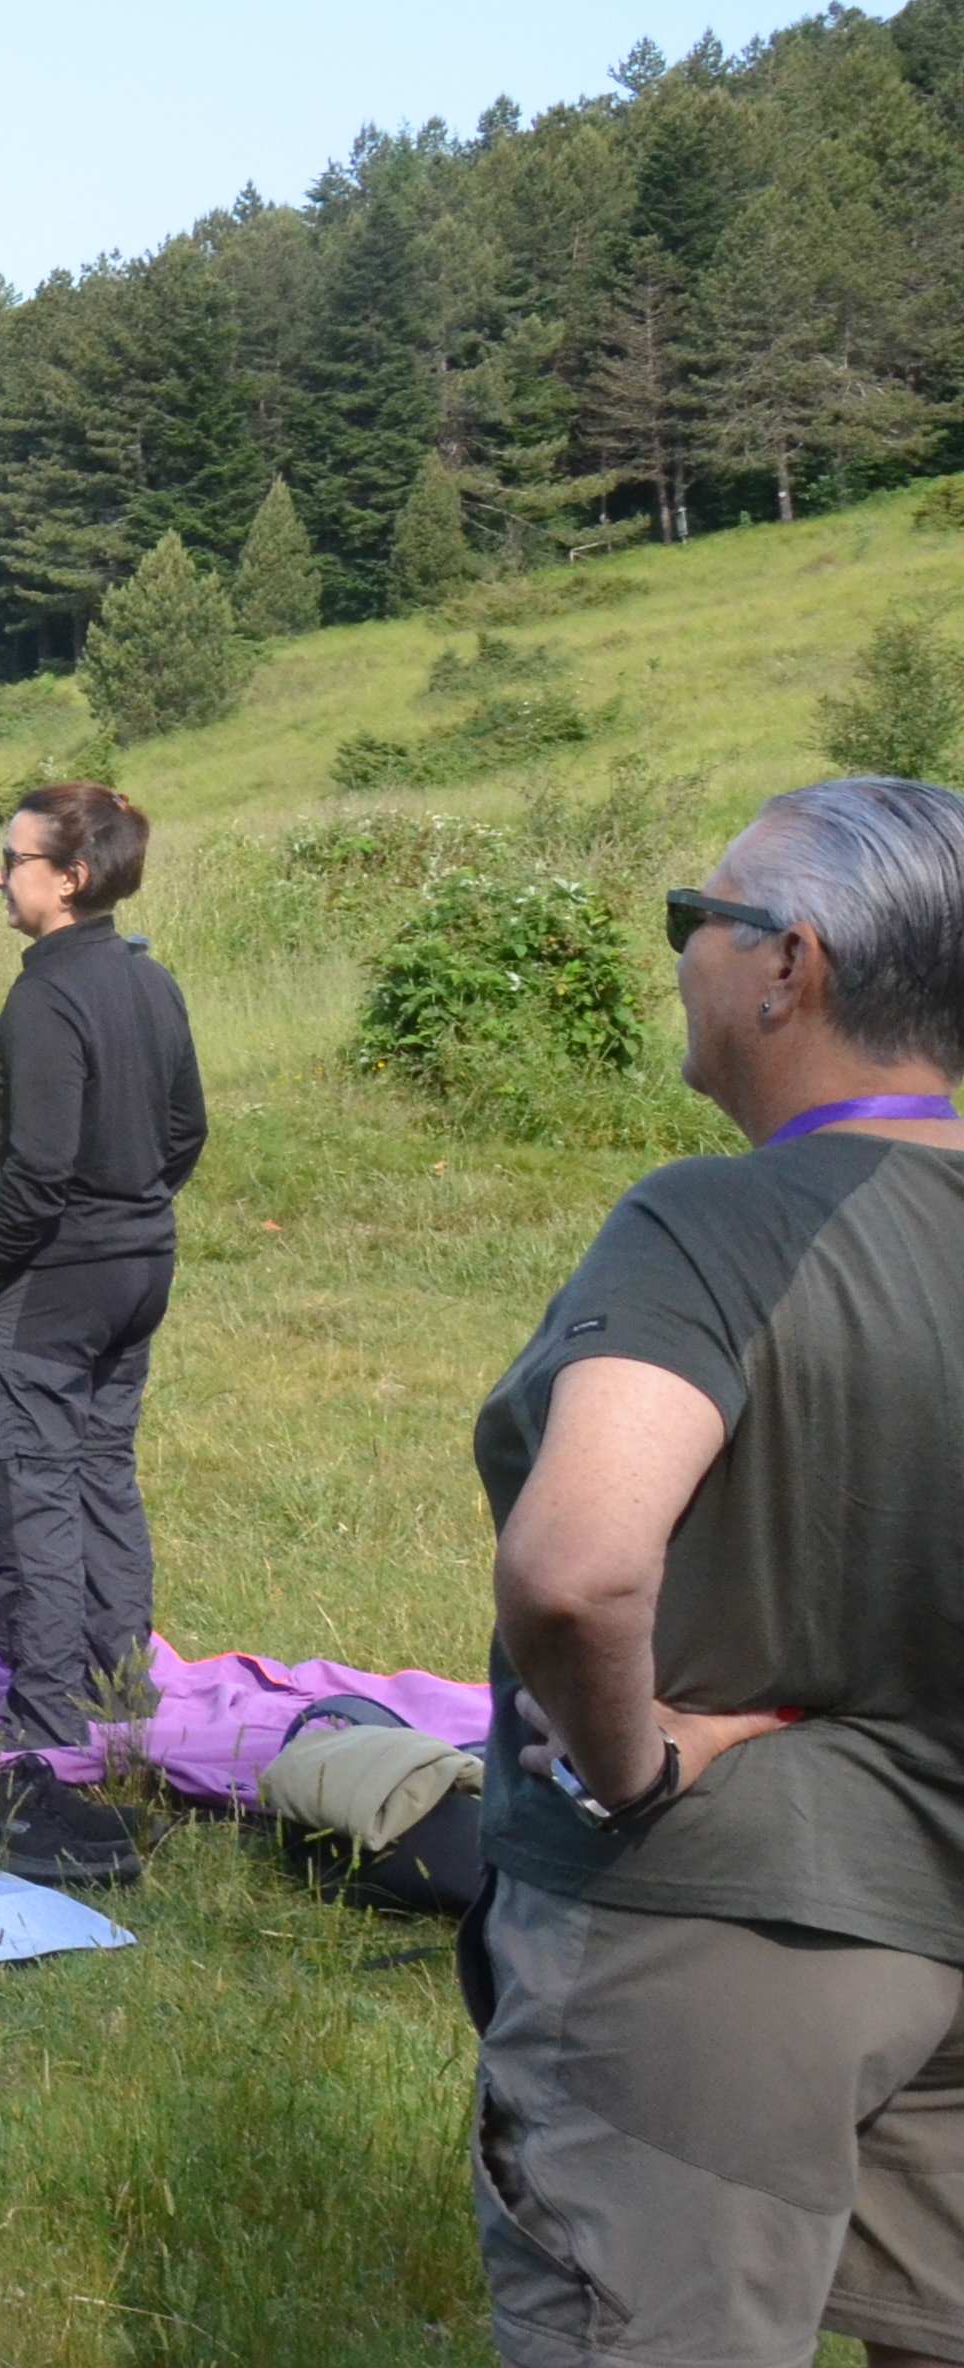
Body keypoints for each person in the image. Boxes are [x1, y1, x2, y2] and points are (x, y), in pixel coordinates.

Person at [464, 777, 964, 2368]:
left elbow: (577, 1568)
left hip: (708, 1950)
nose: (679, 950)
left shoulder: (713, 1226)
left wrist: (633, 1765)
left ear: (787, 965)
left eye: (697, 917)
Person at [0, 780, 204, 1888]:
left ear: (70, 877)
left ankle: (44, 1718)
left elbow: (38, 1170)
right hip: (139, 1267)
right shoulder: (147, 977)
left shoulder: (46, 997)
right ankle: (116, 1683)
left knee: (36, 1480)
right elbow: (184, 1132)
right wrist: (129, 1214)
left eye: (14, 860)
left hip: (52, 1284)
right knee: (99, 1467)